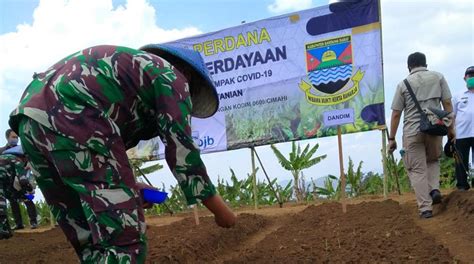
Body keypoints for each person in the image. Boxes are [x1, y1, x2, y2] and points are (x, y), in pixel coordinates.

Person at [8, 44, 236, 263]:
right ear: (188, 75)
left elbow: (96, 163)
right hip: (75, 116)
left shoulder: (132, 71)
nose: (187, 97)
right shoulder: (172, 77)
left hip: (29, 123)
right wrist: (220, 210)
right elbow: (183, 152)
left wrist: (131, 186)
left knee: (89, 238)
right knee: (123, 241)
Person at [388, 52, 454, 219]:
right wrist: (451, 129)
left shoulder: (403, 84)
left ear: (409, 66)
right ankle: (434, 189)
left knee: (417, 170)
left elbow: (396, 114)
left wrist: (392, 138)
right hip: (435, 127)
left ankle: (425, 208)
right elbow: (447, 103)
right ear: (426, 63)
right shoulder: (438, 77)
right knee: (433, 160)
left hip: (412, 131)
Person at [0, 147, 35, 239]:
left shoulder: (4, 157)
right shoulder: (17, 160)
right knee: (2, 203)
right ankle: (4, 229)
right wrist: (30, 189)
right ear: (23, 157)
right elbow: (23, 180)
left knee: (11, 199)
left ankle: (6, 229)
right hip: (5, 180)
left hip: (8, 183)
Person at [451, 66, 474, 191]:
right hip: (461, 134)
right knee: (460, 162)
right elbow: (452, 116)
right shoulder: (457, 96)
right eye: (470, 76)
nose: (472, 78)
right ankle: (462, 186)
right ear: (465, 78)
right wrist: (452, 133)